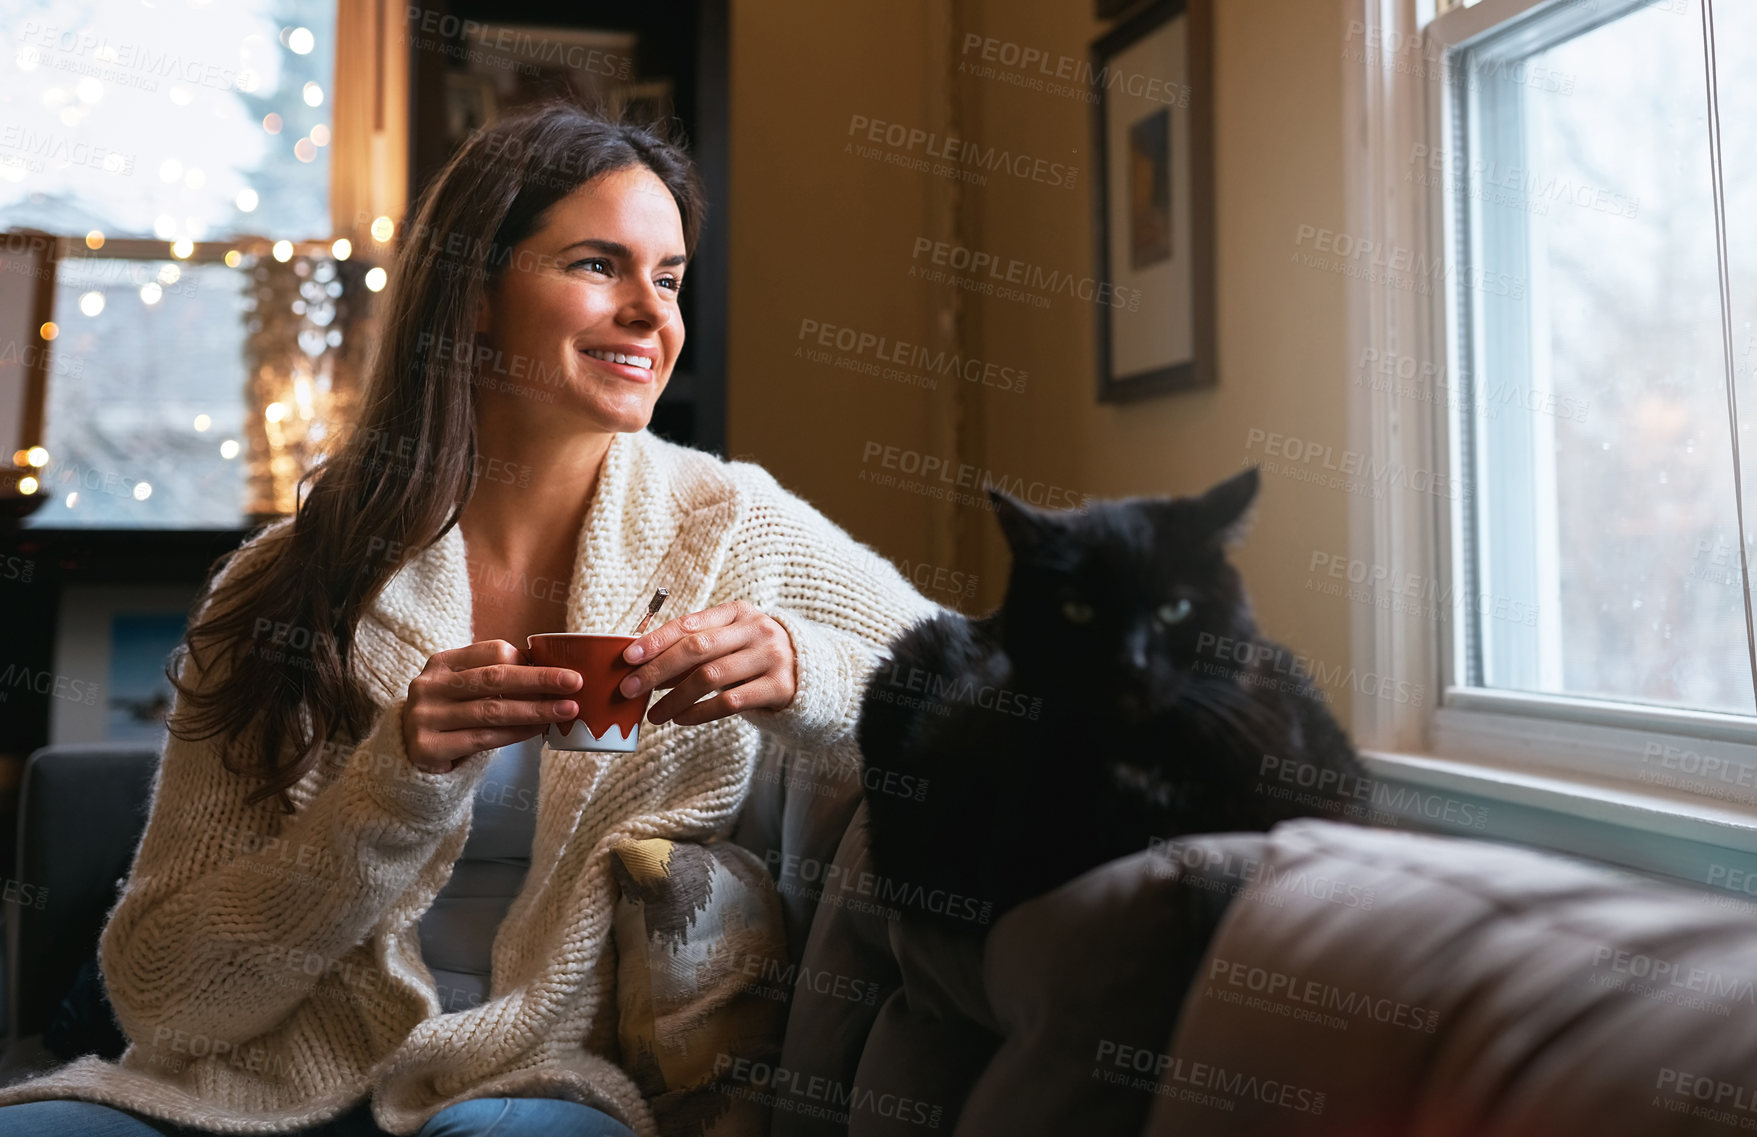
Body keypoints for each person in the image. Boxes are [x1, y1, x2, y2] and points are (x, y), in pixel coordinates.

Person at [0, 103, 940, 1136]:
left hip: (538, 1081)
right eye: (597, 265)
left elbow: (972, 680)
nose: (651, 312)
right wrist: (388, 789)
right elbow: (164, 991)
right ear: (475, 294)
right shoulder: (284, 582)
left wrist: (805, 669)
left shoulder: (729, 529)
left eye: (667, 277)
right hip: (256, 1080)